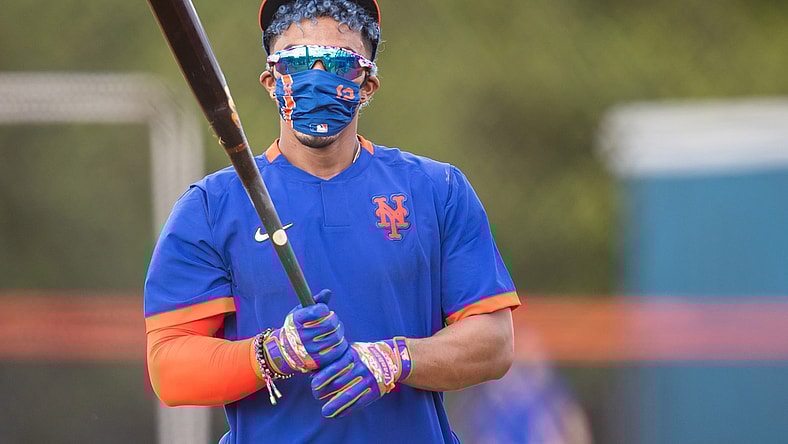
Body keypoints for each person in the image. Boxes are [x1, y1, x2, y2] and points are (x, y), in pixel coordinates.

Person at [144, 0, 520, 442]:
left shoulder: (438, 190)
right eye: (297, 61)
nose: (316, 76)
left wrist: (393, 360)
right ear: (270, 80)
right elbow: (169, 369)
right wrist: (273, 353)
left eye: (339, 61)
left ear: (368, 84)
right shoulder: (210, 207)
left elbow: (494, 344)